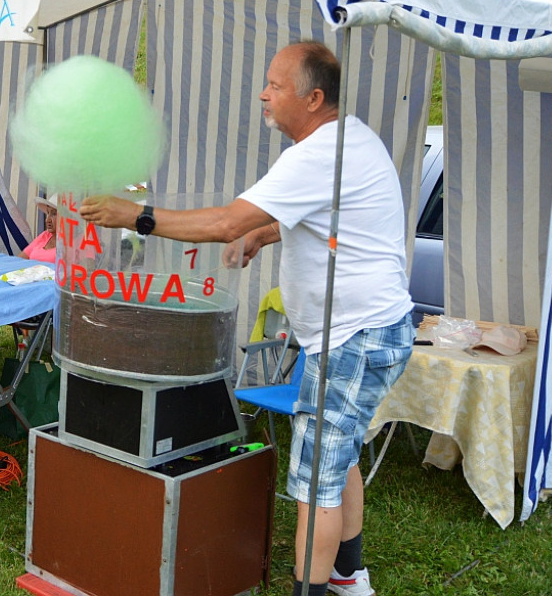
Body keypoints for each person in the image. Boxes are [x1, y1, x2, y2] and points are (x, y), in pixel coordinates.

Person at [80, 42, 414, 596]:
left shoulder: (316, 155)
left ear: (312, 97)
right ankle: (349, 577)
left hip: (354, 338)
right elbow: (330, 219)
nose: (264, 94)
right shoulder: (351, 137)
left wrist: (132, 214)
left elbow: (224, 221)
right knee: (339, 457)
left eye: (275, 86)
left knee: (313, 487)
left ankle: (322, 587)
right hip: (368, 331)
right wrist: (265, 231)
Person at [22, 194, 58, 263]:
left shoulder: (73, 243)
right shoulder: (46, 235)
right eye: (48, 213)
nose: (47, 220)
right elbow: (21, 259)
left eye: (54, 214)